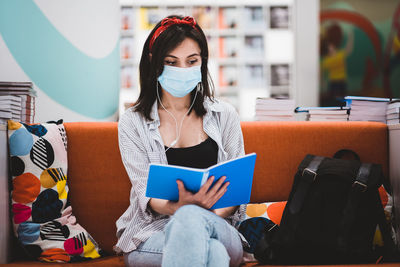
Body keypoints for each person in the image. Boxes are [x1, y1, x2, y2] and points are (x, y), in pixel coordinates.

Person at [114, 15, 246, 267]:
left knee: (192, 219)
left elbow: (236, 191)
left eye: (192, 61)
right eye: (171, 62)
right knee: (214, 253)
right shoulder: (132, 122)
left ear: (202, 62)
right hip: (152, 234)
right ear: (154, 63)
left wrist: (198, 212)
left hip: (219, 224)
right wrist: (180, 208)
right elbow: (145, 193)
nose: (183, 70)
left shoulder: (224, 114)